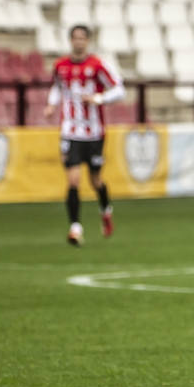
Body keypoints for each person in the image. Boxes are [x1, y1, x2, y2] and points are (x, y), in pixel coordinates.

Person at [44, 25, 124, 246]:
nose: (79, 42)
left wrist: (99, 99)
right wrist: (51, 106)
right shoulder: (60, 66)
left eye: (82, 38)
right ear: (70, 40)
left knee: (96, 180)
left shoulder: (97, 65)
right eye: (75, 38)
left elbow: (119, 89)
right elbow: (57, 88)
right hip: (70, 131)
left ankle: (105, 211)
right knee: (73, 180)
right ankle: (75, 227)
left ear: (88, 41)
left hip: (94, 131)